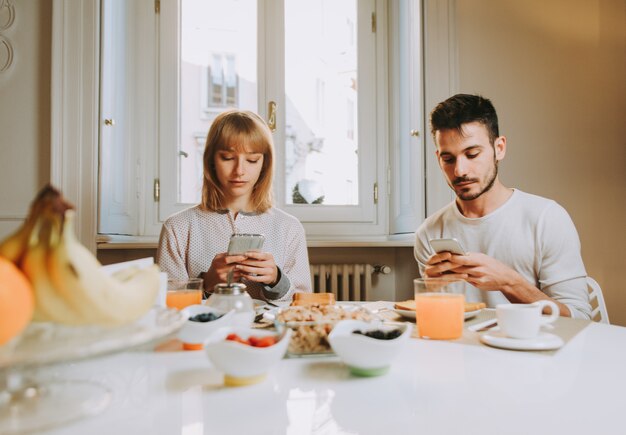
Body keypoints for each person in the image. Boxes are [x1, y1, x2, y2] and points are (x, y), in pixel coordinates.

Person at [414, 94, 591, 318]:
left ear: (499, 148)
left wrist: (510, 283)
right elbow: (439, 323)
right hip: (461, 351)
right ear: (438, 158)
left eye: (472, 154)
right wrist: (430, 291)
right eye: (449, 159)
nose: (460, 171)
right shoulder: (428, 233)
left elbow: (580, 320)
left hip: (532, 353)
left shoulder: (548, 219)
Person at [157, 109, 312, 302]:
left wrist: (277, 280)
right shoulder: (178, 227)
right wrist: (206, 285)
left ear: (264, 164)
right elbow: (166, 304)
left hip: (268, 332)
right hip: (207, 332)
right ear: (211, 160)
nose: (239, 171)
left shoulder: (289, 227)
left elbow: (305, 301)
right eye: (228, 158)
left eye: (252, 160)